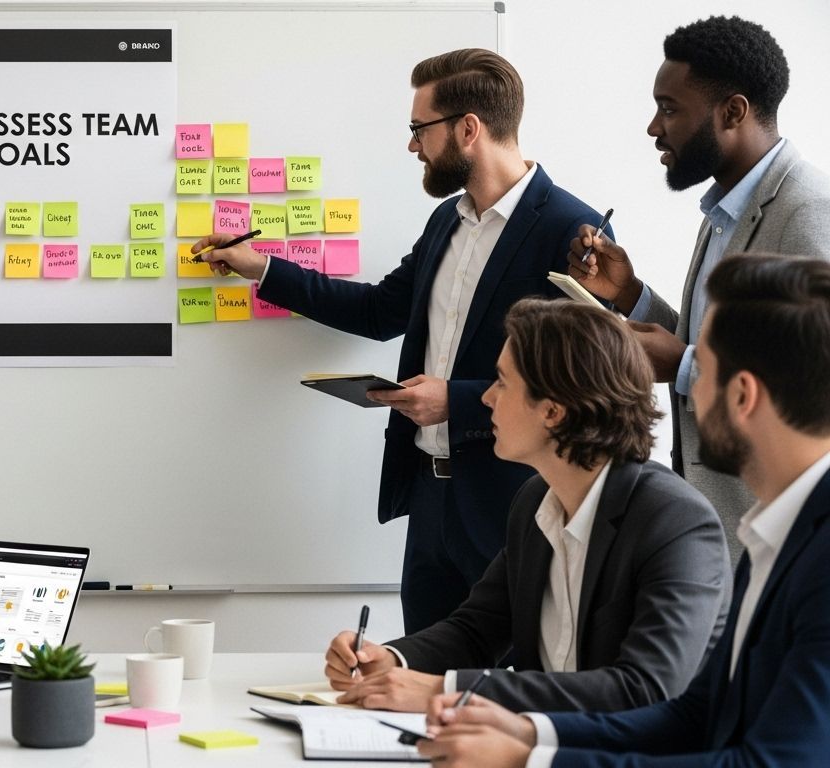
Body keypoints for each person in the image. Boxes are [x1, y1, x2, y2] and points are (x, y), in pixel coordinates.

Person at [194, 49, 608, 632]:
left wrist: (454, 400)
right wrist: (260, 267)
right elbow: (378, 310)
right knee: (420, 668)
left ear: (468, 129)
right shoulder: (447, 222)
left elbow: (582, 385)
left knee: (507, 677)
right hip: (429, 499)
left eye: (420, 128)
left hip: (512, 502)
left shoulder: (573, 231)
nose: (413, 145)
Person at [417, 254, 830, 767]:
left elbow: (771, 762)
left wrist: (530, 760)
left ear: (742, 395)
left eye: (703, 369)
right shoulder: (777, 534)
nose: (688, 389)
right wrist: (529, 732)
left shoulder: (807, 551)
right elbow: (696, 717)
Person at [323, 298, 727, 713]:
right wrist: (391, 659)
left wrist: (445, 691)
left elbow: (645, 689)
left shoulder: (676, 522)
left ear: (553, 411)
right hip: (543, 743)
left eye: (501, 382)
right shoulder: (535, 501)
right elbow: (477, 631)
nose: (486, 398)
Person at [568, 16, 830, 562]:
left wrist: (684, 365)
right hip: (720, 525)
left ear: (732, 112)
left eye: (669, 109)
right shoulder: (724, 210)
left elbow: (816, 379)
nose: (653, 127)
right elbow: (721, 343)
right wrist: (630, 294)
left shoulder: (806, 211)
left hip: (775, 536)